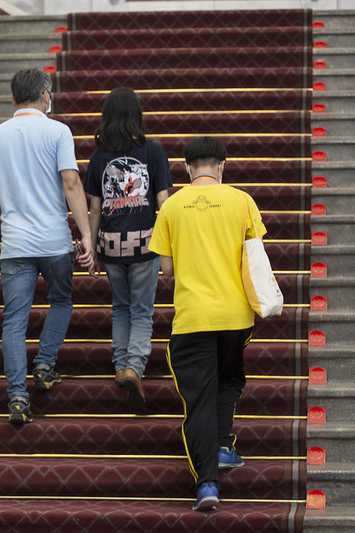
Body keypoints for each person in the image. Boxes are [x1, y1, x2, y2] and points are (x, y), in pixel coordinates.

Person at [149, 136, 266, 512]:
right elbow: (254, 255)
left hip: (193, 318)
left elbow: (166, 268)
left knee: (198, 400)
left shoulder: (171, 207)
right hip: (235, 316)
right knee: (229, 379)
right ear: (222, 165)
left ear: (186, 168)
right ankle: (222, 444)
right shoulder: (242, 201)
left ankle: (207, 484)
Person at [0, 67, 92, 425]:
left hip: (15, 244)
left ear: (13, 98)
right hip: (54, 240)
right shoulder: (58, 131)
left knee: (14, 321)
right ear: (45, 94)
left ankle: (17, 397)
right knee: (61, 300)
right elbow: (71, 183)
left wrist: (0, 219)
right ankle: (44, 364)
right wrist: (86, 233)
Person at [82, 87, 172, 414]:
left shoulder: (98, 157)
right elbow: (162, 202)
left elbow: (95, 207)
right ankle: (135, 365)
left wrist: (90, 247)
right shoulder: (152, 152)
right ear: (137, 115)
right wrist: (172, 244)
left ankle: (120, 365)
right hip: (146, 244)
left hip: (111, 245)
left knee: (120, 307)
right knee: (142, 310)